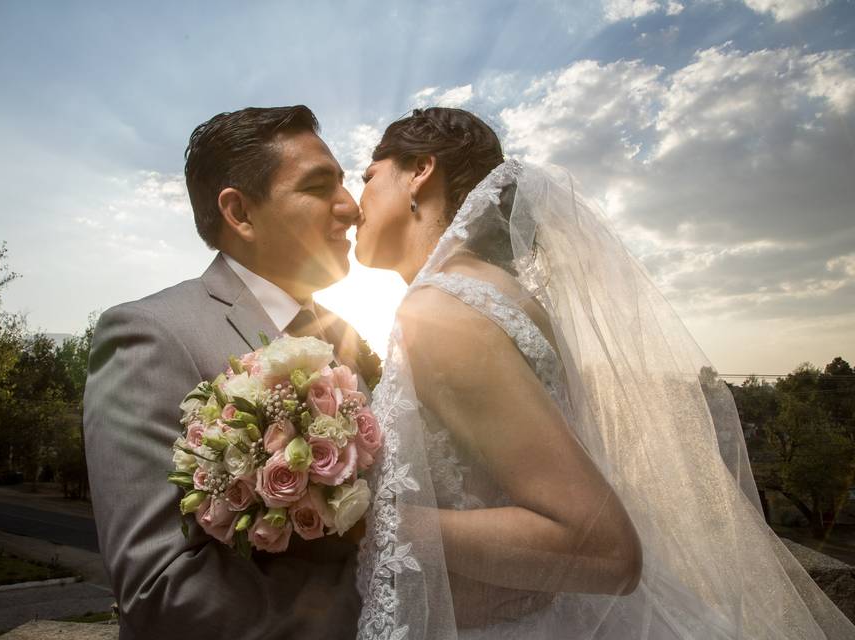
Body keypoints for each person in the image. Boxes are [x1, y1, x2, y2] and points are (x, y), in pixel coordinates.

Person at [352, 107, 855, 639]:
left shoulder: (439, 313)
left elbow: (603, 549)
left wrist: (377, 522)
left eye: (367, 178)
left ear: (420, 171)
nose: (355, 201)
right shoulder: (499, 294)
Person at [84, 105, 368, 639]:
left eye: (345, 183)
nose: (351, 207)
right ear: (240, 213)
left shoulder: (347, 339)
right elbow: (161, 589)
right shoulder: (149, 334)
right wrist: (387, 601)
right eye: (317, 185)